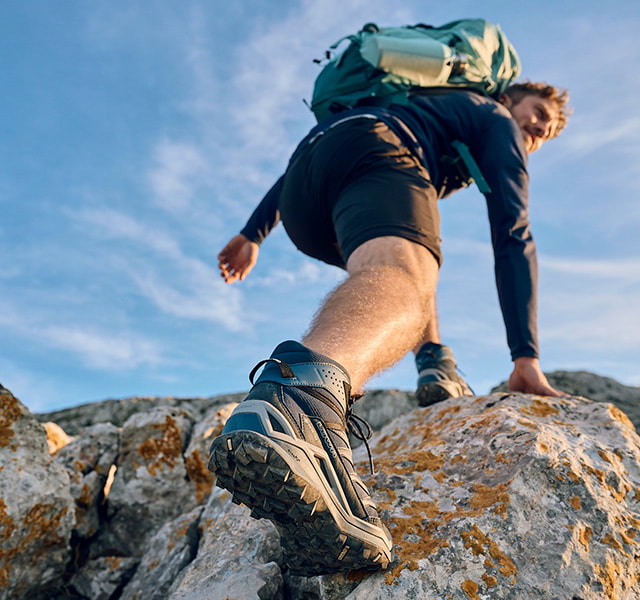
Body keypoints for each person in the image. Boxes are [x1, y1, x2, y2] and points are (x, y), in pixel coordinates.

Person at [208, 81, 571, 576]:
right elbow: (513, 232)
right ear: (508, 99)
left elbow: (325, 147)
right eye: (536, 114)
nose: (537, 129)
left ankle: (435, 365)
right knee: (403, 275)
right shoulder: (494, 118)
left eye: (546, 132)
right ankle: (301, 403)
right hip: (377, 151)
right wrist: (524, 356)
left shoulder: (425, 104)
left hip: (305, 190)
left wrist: (254, 232)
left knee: (412, 262)